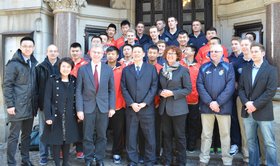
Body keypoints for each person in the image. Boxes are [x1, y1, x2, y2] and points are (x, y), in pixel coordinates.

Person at [238, 43, 278, 166]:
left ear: (263, 53)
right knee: (251, 141)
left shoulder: (271, 70)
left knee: (269, 142)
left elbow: (270, 91)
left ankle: (271, 164)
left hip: (263, 111)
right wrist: (246, 103)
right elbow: (241, 89)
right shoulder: (246, 69)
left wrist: (254, 105)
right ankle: (253, 164)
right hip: (248, 111)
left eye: (256, 51)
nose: (254, 54)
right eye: (252, 51)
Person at [76, 45, 116, 166]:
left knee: (102, 136)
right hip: (87, 107)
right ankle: (88, 159)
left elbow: (112, 90)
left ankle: (99, 159)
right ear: (90, 53)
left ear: (102, 54)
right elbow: (78, 90)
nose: (97, 54)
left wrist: (112, 107)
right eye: (95, 52)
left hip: (103, 107)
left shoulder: (108, 69)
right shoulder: (83, 69)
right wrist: (79, 109)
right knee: (87, 135)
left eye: (99, 52)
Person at [197, 44, 235, 166]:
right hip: (206, 107)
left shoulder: (228, 67)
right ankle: (203, 159)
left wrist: (218, 102)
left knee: (225, 135)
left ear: (222, 53)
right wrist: (210, 102)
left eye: (216, 51)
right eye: (211, 51)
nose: (213, 53)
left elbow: (230, 87)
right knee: (206, 135)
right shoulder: (203, 67)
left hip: (223, 107)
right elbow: (200, 86)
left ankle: (227, 160)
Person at [3, 36, 38, 166]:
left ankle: (25, 160)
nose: (27, 48)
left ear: (33, 48)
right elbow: (7, 85)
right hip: (16, 107)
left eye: (30, 46)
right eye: (25, 46)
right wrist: (10, 104)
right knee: (14, 136)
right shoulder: (13, 64)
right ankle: (11, 163)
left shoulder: (33, 63)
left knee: (26, 136)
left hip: (30, 107)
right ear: (20, 47)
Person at [121, 45, 158, 166]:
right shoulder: (126, 70)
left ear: (143, 54)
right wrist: (131, 103)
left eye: (139, 52)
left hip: (147, 108)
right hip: (132, 109)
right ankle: (132, 160)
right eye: (134, 52)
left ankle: (150, 160)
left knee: (149, 136)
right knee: (131, 136)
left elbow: (154, 87)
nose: (136, 54)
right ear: (132, 54)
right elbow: (124, 88)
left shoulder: (151, 68)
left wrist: (144, 103)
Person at [41, 57, 80, 166]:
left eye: (68, 67)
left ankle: (65, 163)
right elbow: (47, 99)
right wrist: (48, 116)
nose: (65, 69)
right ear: (59, 67)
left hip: (70, 114)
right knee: (56, 140)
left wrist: (78, 114)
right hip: (56, 114)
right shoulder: (52, 80)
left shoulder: (74, 80)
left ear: (71, 68)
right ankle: (57, 163)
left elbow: (77, 98)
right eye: (63, 66)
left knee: (67, 140)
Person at [158, 46, 192, 166]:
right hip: (164, 108)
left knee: (180, 137)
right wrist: (160, 92)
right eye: (168, 53)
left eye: (173, 54)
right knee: (166, 136)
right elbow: (158, 88)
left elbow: (188, 89)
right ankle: (167, 160)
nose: (170, 55)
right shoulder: (162, 70)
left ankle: (181, 161)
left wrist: (172, 93)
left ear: (177, 56)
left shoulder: (183, 70)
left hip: (179, 109)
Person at [36, 44, 60, 165]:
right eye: (50, 51)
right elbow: (36, 88)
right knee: (43, 131)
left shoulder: (62, 66)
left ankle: (53, 154)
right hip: (44, 105)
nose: (53, 53)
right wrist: (37, 105)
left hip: (58, 105)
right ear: (46, 52)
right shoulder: (40, 67)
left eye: (55, 51)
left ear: (58, 53)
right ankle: (43, 156)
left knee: (56, 131)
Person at [106, 46, 126, 164]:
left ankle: (117, 153)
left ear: (118, 55)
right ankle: (98, 152)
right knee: (101, 131)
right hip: (103, 105)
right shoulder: (102, 68)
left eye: (113, 54)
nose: (110, 56)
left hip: (119, 105)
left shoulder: (123, 69)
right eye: (108, 53)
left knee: (118, 131)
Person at [180, 45, 201, 152]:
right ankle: (182, 147)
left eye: (187, 49)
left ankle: (191, 146)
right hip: (180, 100)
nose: (185, 51)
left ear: (193, 52)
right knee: (181, 125)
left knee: (193, 124)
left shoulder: (199, 66)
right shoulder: (179, 64)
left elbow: (200, 83)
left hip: (194, 100)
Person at [69, 42, 88, 159]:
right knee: (68, 123)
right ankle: (64, 148)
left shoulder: (86, 64)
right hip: (68, 99)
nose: (75, 53)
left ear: (81, 52)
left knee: (80, 124)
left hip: (82, 98)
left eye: (77, 51)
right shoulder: (67, 63)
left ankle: (80, 149)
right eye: (73, 51)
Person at [228, 37, 243, 156]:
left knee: (245, 121)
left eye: (236, 44)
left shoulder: (246, 58)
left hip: (245, 94)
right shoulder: (229, 59)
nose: (234, 46)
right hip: (232, 94)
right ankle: (235, 143)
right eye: (232, 44)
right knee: (234, 119)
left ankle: (246, 146)